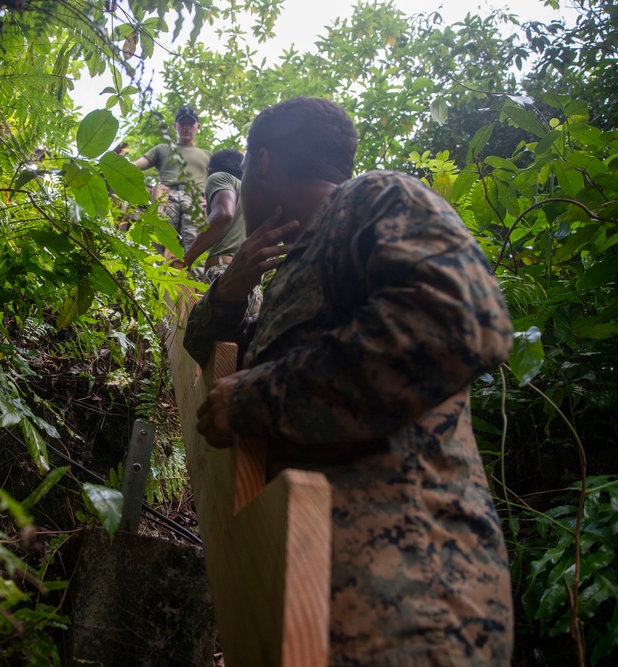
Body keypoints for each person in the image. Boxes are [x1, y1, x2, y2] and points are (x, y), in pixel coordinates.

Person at [185, 97, 515, 665]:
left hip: (411, 603)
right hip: (310, 596)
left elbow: (459, 324)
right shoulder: (288, 268)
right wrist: (228, 291)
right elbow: (214, 376)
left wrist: (258, 397)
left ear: (260, 164)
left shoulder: (376, 199)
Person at [132, 106, 211, 252]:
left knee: (195, 242)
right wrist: (112, 165)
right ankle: (157, 273)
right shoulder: (162, 149)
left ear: (197, 126)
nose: (186, 127)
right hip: (167, 196)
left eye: (190, 124)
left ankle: (195, 274)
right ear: (175, 126)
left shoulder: (207, 155)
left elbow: (220, 181)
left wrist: (211, 200)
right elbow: (136, 165)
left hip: (196, 199)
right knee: (160, 237)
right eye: (183, 123)